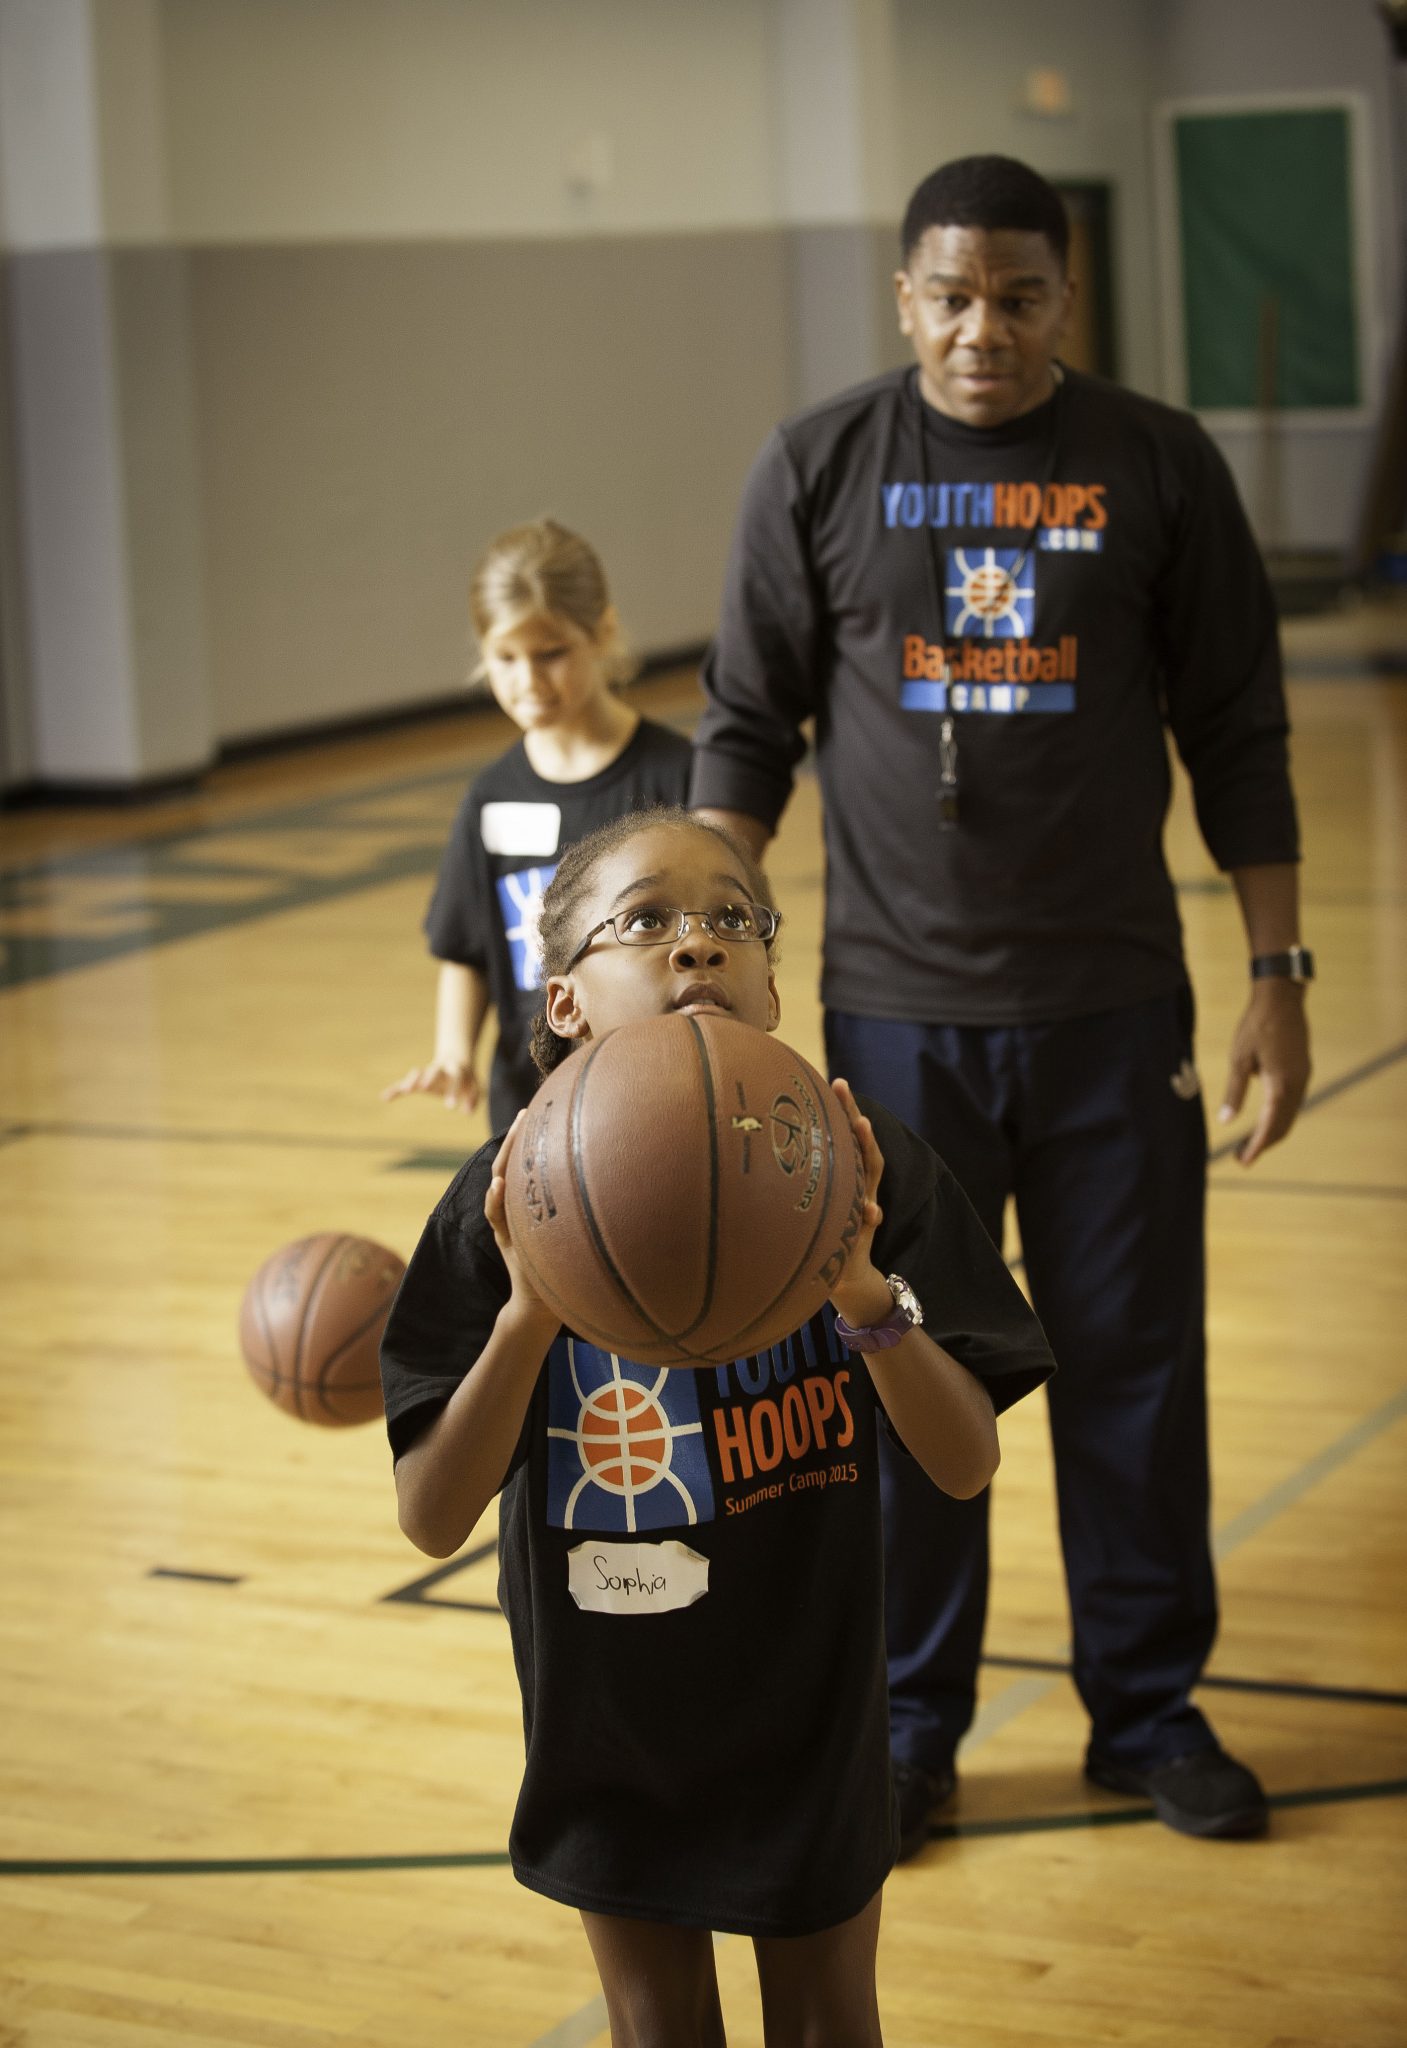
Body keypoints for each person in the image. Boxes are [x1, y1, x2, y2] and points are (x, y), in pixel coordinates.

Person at [690, 154, 1312, 1855]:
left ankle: (1147, 1706)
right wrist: (699, 973)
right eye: (951, 296)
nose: (984, 329)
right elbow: (745, 729)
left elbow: (1239, 732)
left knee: (1132, 1368)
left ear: (1064, 294)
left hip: (1116, 1010)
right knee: (905, 1366)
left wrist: (1276, 972)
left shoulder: (1154, 464)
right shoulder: (818, 464)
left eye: (1019, 294)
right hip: (892, 1019)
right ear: (904, 298)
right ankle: (909, 1721)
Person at [379, 807, 1054, 2047]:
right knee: (661, 2027)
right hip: (607, 1714)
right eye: (645, 921)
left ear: (773, 985)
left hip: (808, 1699)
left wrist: (862, 1294)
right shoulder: (502, 1203)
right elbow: (430, 1515)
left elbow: (965, 1464)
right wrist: (529, 1313)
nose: (697, 944)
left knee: (826, 2021)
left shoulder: (866, 1167)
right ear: (566, 994)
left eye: (731, 920)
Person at [382, 518, 691, 1133]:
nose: (528, 680)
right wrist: (453, 1052)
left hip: (657, 1090)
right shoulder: (491, 798)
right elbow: (465, 950)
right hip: (530, 1103)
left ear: (601, 631)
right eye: (506, 658)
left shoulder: (677, 776)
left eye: (551, 654)